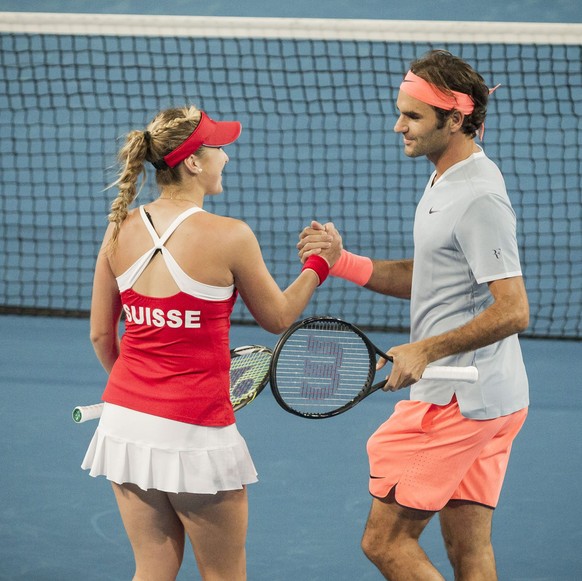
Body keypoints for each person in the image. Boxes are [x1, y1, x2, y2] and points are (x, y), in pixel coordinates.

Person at [82, 105, 340, 581]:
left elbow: (102, 334)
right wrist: (321, 264)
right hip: (195, 434)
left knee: (152, 569)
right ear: (194, 163)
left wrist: (140, 394)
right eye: (219, 148)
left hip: (124, 425)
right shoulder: (231, 236)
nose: (227, 157)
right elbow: (278, 318)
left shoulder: (119, 228)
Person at [298, 50, 529, 580]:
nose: (398, 125)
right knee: (469, 551)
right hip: (493, 396)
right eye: (401, 111)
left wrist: (425, 349)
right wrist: (343, 263)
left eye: (413, 116)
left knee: (385, 542)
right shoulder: (449, 177)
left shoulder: (476, 198)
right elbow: (431, 275)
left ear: (455, 119)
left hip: (459, 401)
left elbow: (514, 309)